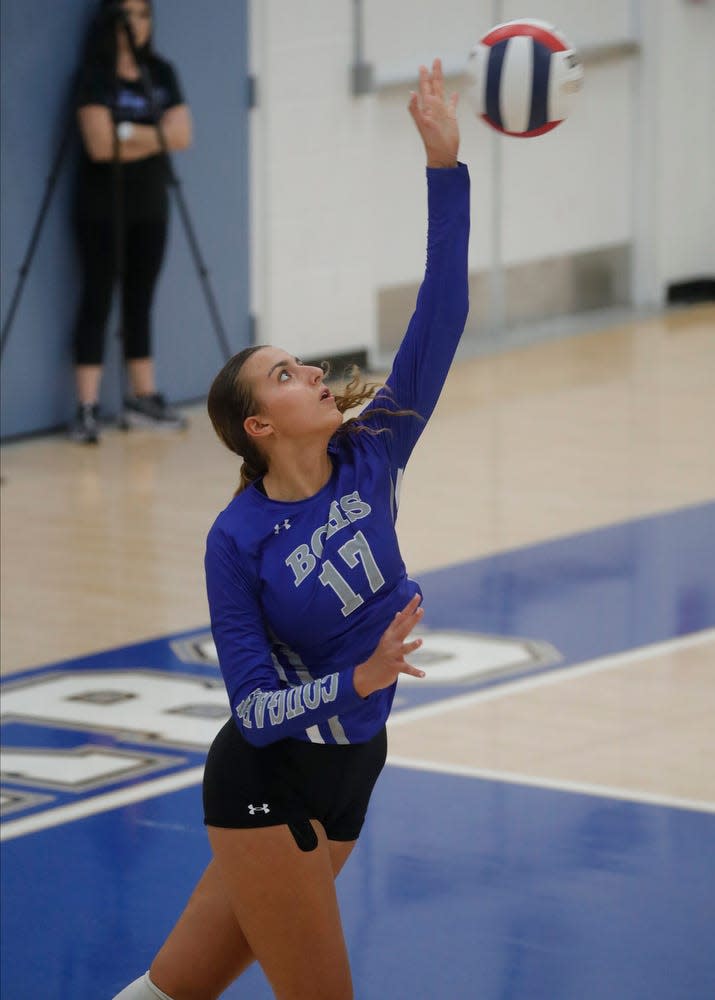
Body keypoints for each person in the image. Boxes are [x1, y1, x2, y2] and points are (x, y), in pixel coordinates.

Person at [113, 58, 469, 1000]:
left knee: (169, 992)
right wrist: (357, 675)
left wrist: (444, 168)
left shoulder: (373, 454)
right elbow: (252, 705)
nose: (310, 370)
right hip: (266, 779)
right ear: (259, 428)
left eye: (299, 362)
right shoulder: (237, 539)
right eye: (282, 374)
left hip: (356, 766)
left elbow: (442, 314)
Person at [69, 0, 192, 444]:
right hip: (101, 206)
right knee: (97, 298)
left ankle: (143, 397)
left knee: (141, 298)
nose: (135, 24)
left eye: (143, 15)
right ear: (109, 20)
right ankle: (87, 406)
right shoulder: (95, 76)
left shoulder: (160, 73)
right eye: (126, 14)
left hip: (150, 203)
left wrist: (127, 133)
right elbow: (100, 146)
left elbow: (182, 135)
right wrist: (151, 136)